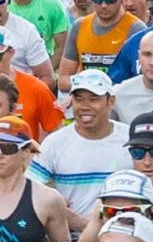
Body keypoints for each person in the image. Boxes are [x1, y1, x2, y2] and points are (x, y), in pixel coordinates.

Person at [36, 70, 133, 217]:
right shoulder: (55, 143)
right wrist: (54, 202)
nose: (85, 106)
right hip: (71, 235)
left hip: (122, 233)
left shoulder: (130, 139)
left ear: (110, 102)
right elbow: (31, 187)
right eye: (78, 99)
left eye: (93, 99)